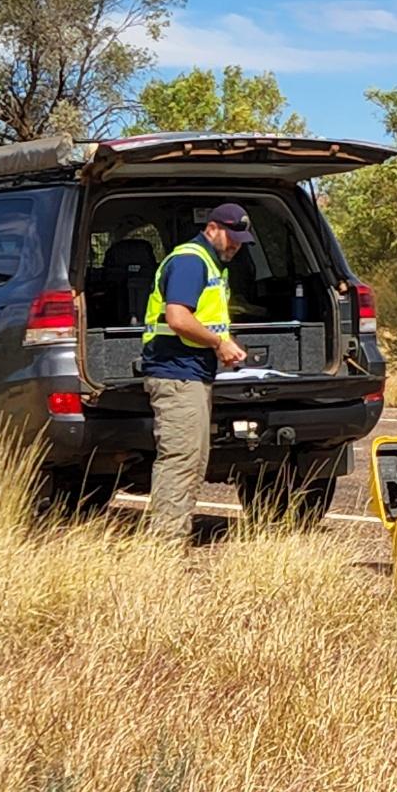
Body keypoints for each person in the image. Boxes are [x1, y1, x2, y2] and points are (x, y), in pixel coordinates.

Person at [140, 202, 258, 543]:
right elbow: (177, 318)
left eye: (241, 239)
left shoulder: (210, 263)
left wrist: (223, 340)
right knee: (180, 462)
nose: (236, 245)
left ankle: (171, 540)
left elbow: (206, 318)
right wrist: (218, 344)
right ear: (213, 228)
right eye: (232, 237)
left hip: (191, 373)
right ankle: (166, 546)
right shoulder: (191, 261)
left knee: (192, 461)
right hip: (176, 374)